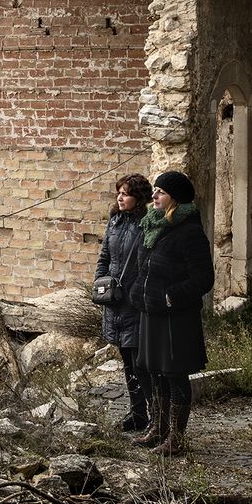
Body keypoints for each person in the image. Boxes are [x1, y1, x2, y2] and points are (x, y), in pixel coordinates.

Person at [128, 170, 214, 456]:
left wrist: (170, 296)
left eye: (161, 192)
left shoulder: (190, 231)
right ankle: (158, 428)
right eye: (155, 190)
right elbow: (146, 268)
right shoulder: (154, 226)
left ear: (174, 199)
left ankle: (176, 438)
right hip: (151, 311)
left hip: (175, 316)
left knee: (174, 374)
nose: (154, 196)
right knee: (154, 370)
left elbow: (204, 278)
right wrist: (139, 292)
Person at [93, 173, 153, 432]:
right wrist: (100, 283)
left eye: (126, 193)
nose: (120, 197)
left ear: (137, 198)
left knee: (141, 362)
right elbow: (105, 255)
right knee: (128, 361)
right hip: (115, 300)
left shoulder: (147, 224)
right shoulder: (114, 222)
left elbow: (149, 264)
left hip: (135, 302)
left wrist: (139, 292)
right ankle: (138, 413)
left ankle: (156, 415)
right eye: (118, 192)